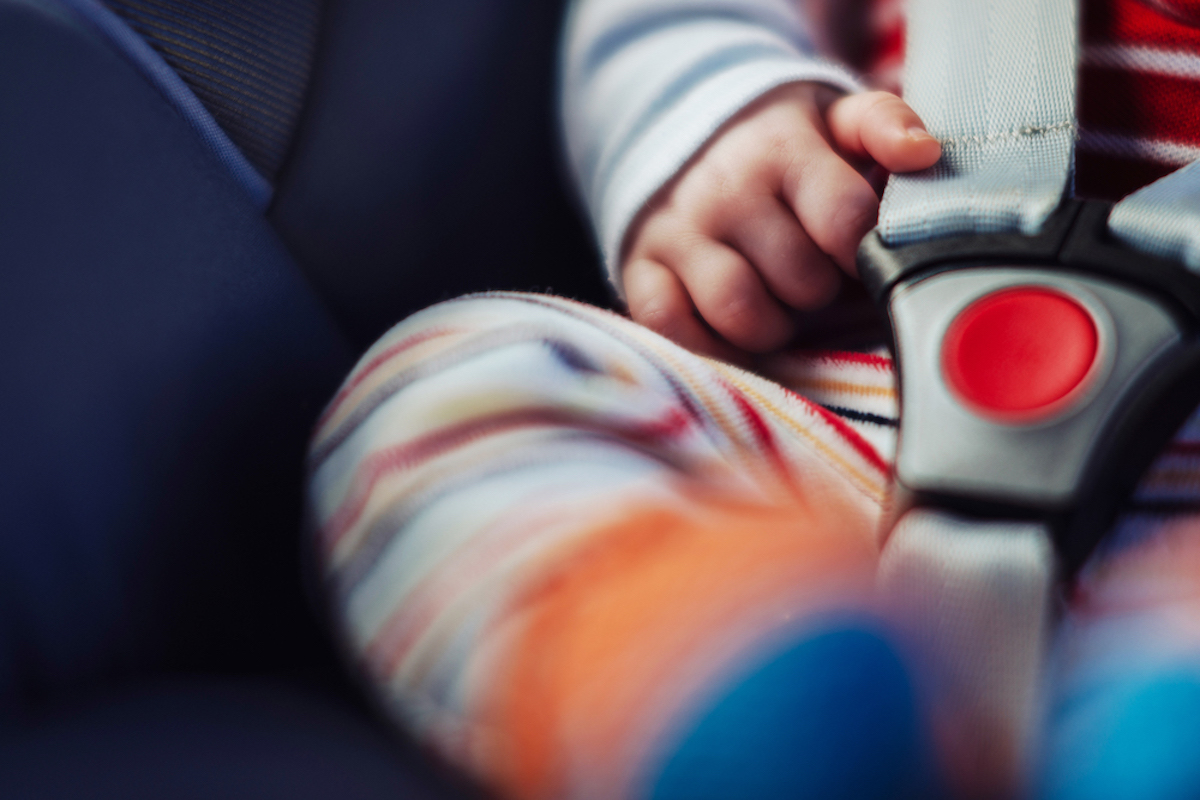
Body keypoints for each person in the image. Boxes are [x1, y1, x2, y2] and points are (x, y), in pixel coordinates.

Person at [307, 0, 1200, 798]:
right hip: (818, 462)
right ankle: (689, 665)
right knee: (455, 381)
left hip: (1171, 575)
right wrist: (724, 125)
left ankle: (1161, 730)